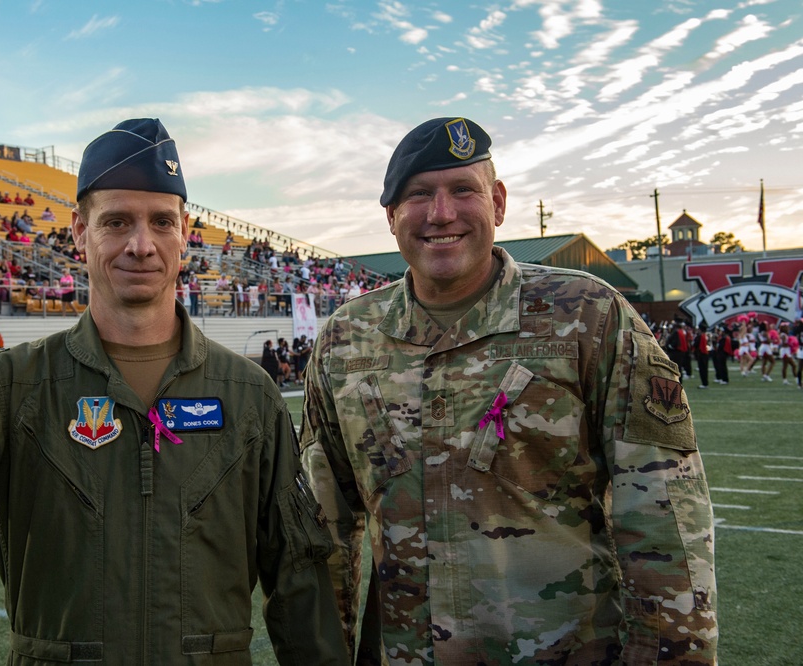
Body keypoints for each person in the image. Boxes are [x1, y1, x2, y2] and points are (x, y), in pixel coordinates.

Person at [0, 118, 346, 665]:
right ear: (79, 231)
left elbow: (299, 578)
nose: (142, 245)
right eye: (116, 222)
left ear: (185, 232)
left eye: (161, 222)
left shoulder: (248, 394)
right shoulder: (11, 384)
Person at [300, 117, 717, 664]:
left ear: (497, 203)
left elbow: (666, 515)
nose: (441, 213)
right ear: (391, 216)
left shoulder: (587, 315)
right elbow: (321, 529)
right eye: (418, 194)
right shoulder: (346, 338)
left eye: (462, 190)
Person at [693, 321, 711, 389]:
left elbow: (695, 344)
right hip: (706, 353)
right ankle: (705, 383)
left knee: (702, 369)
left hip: (701, 354)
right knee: (705, 369)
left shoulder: (700, 336)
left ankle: (704, 383)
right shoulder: (706, 335)